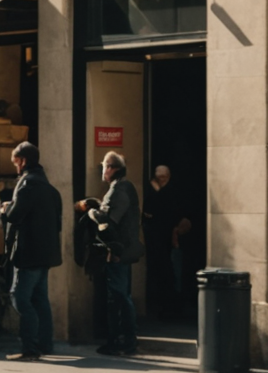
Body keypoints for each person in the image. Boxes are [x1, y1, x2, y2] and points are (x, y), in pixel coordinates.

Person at [0, 142, 61, 361]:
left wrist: (6, 208)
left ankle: (30, 348)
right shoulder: (48, 186)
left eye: (16, 162)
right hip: (46, 253)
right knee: (40, 298)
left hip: (29, 252)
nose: (15, 167)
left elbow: (16, 215)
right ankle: (45, 344)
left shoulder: (28, 184)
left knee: (20, 298)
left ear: (23, 161)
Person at [78, 151, 143, 357]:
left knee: (118, 296)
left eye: (105, 166)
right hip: (123, 249)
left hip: (117, 251)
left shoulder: (118, 190)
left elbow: (108, 220)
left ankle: (121, 341)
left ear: (112, 168)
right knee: (121, 296)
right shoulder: (125, 187)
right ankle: (124, 340)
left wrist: (90, 211)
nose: (103, 170)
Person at [142, 165, 193, 321]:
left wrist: (158, 191)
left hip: (173, 237)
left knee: (173, 271)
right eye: (158, 178)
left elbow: (172, 209)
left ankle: (174, 306)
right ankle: (161, 306)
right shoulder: (151, 188)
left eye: (163, 178)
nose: (161, 181)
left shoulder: (172, 190)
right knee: (159, 271)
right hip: (157, 238)